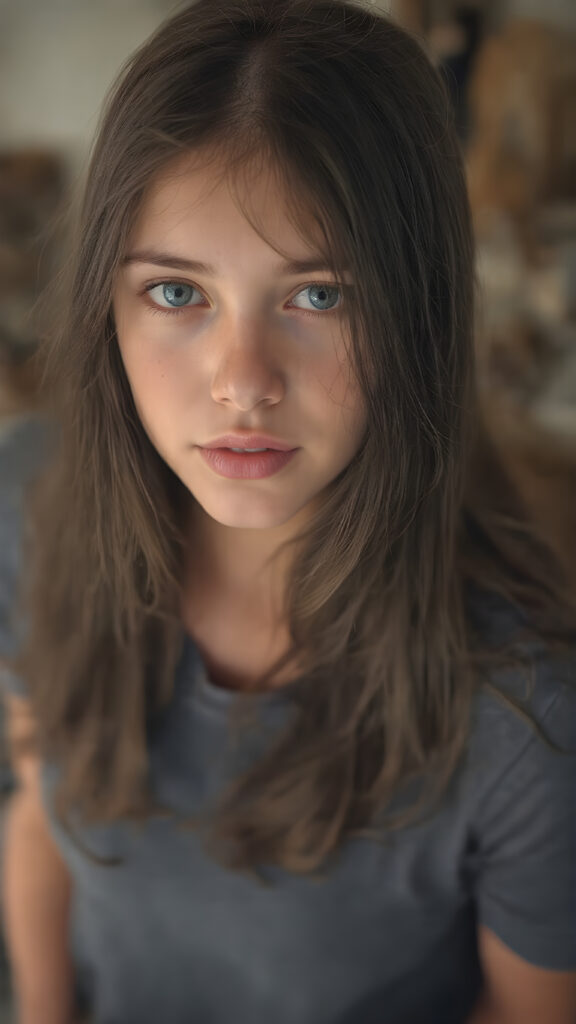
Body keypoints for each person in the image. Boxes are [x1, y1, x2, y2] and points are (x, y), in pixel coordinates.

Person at [1, 2, 575, 1022]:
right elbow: (45, 817)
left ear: (420, 317)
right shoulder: (31, 503)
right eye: (178, 295)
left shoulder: (525, 706)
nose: (243, 382)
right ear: (106, 307)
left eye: (320, 296)